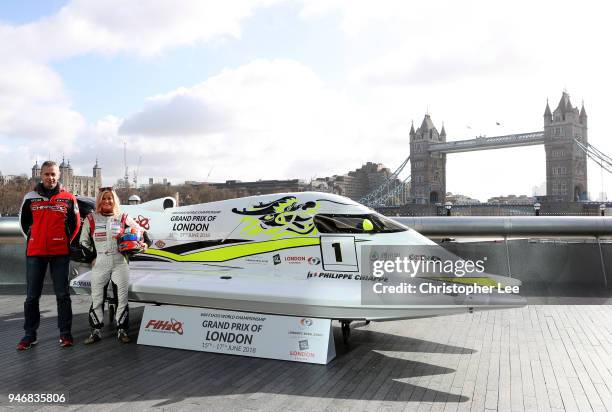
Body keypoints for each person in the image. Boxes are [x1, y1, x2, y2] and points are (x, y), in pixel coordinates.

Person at [17, 160, 81, 350]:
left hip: (60, 252)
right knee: (31, 296)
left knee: (62, 295)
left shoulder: (69, 197)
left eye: (53, 174)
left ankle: (65, 334)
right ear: (41, 175)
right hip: (35, 252)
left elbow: (75, 224)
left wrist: (65, 241)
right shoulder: (30, 197)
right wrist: (33, 240)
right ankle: (29, 335)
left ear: (59, 175)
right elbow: (23, 223)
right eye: (46, 174)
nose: (50, 177)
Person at [80, 187, 149, 344]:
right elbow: (83, 241)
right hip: (100, 262)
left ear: (115, 200)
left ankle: (122, 330)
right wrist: (91, 257)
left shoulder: (123, 217)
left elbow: (143, 233)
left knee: (122, 298)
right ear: (99, 201)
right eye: (104, 198)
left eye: (110, 198)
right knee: (97, 298)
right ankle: (95, 331)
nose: (107, 201)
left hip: (120, 262)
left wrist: (144, 245)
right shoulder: (91, 218)